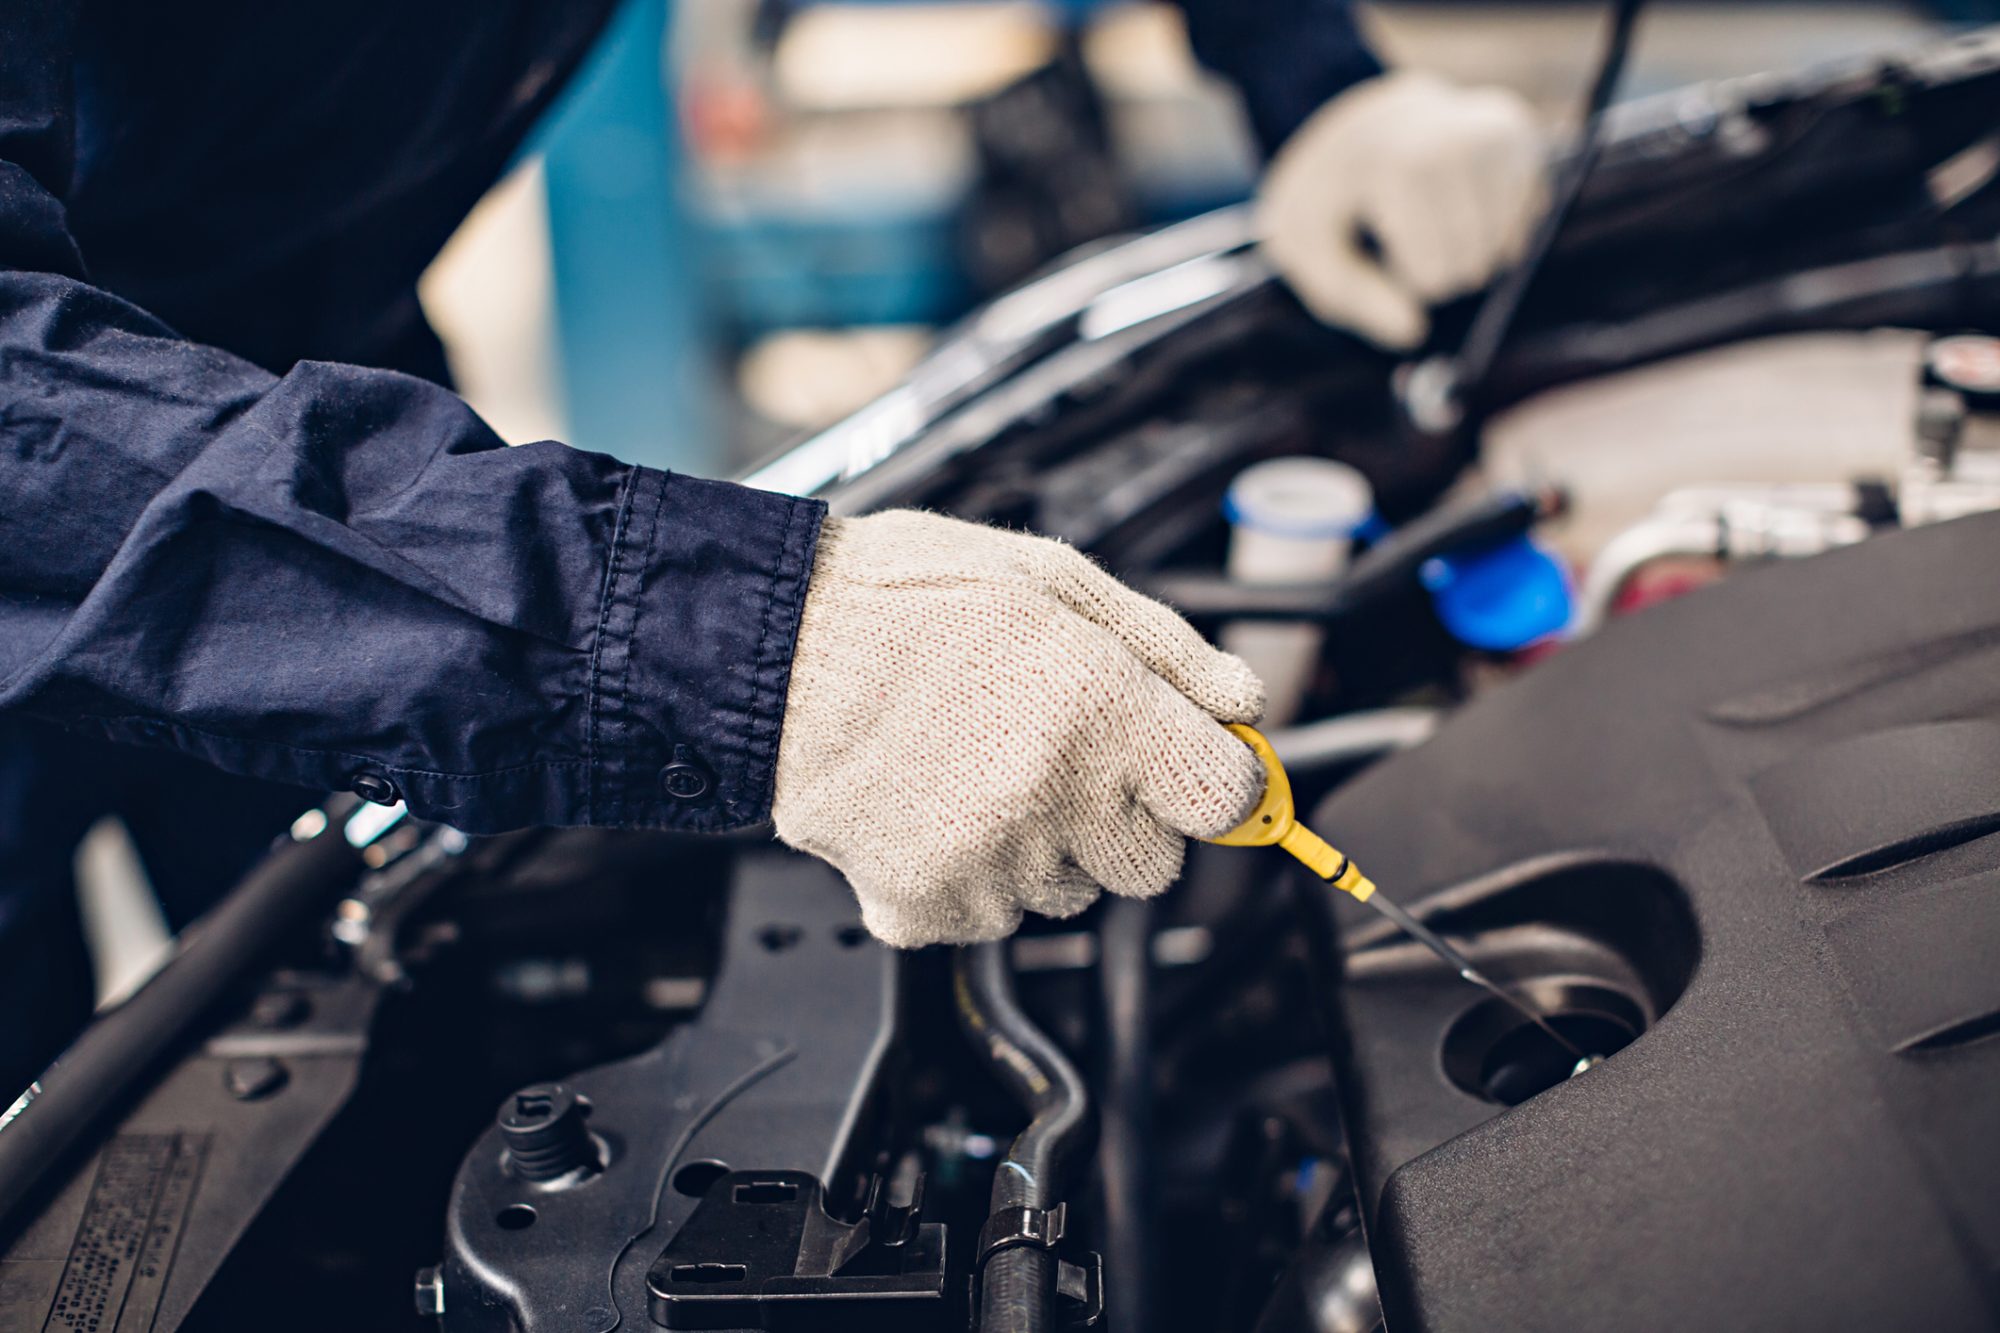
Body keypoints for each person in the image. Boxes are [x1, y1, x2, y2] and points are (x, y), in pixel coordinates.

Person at [0, 0, 1544, 1089]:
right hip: (66, 482)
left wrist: (1313, 72)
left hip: (322, 410)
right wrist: (725, 644)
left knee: (342, 1060)